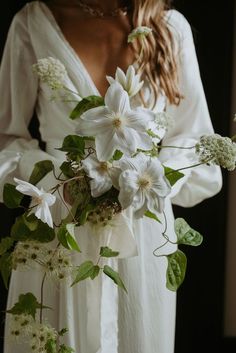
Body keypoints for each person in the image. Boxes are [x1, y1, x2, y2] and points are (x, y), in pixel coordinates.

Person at [0, 1, 222, 353]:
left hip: (143, 227)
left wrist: (149, 180)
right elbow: (6, 137)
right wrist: (56, 180)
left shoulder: (169, 27)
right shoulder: (34, 22)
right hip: (60, 222)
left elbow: (192, 139)